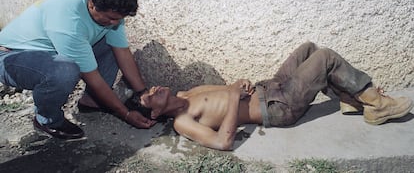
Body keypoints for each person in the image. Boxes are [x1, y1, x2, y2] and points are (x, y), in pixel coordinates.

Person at [138, 42, 413, 151]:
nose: (153, 90)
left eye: (149, 88)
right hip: (277, 107)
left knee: (309, 49)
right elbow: (222, 142)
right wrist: (235, 97)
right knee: (325, 58)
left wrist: (238, 84)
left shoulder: (188, 93)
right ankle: (376, 105)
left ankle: (351, 100)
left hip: (270, 87)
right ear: (154, 114)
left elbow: (228, 92)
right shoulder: (181, 122)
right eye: (148, 98)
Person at [0, 0, 156, 140]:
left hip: (52, 51)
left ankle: (91, 102)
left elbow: (122, 52)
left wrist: (142, 93)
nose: (116, 23)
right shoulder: (69, 21)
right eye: (111, 18)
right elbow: (92, 78)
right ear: (92, 4)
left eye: (120, 18)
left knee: (110, 43)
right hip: (11, 57)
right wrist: (125, 114)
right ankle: (47, 120)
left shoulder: (109, 8)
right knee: (65, 71)